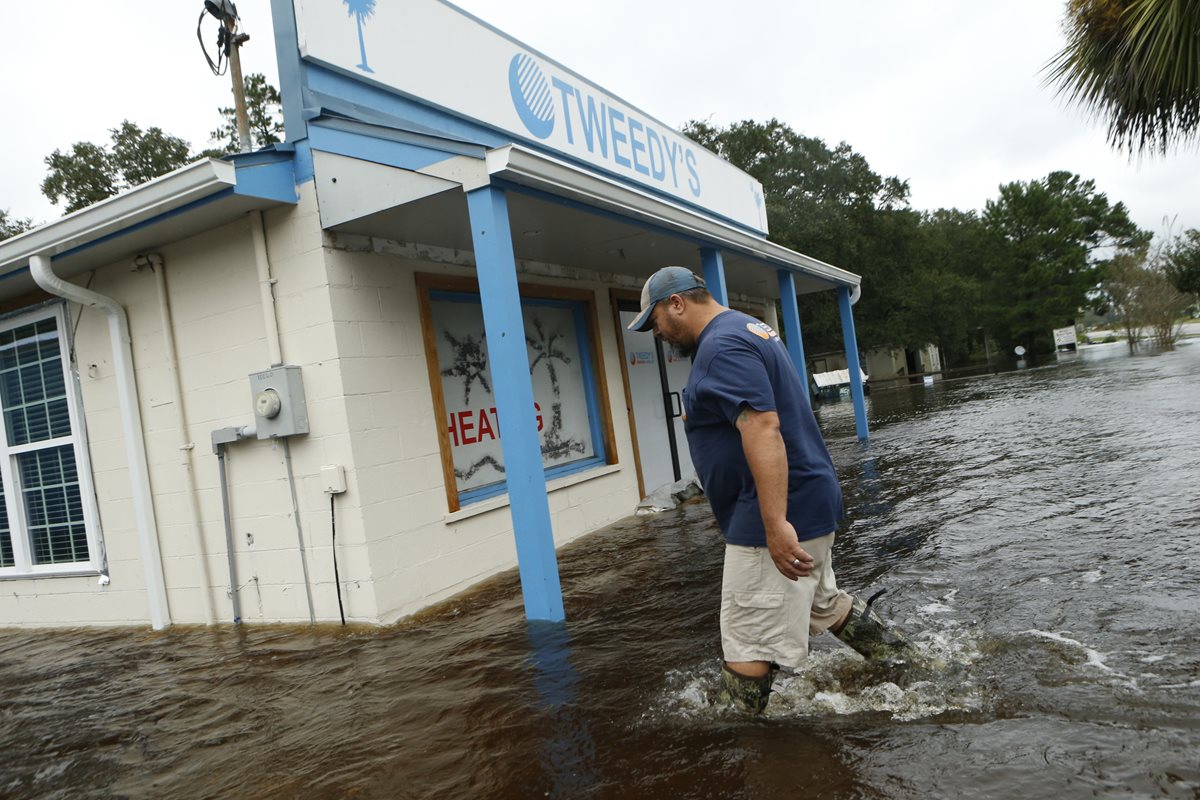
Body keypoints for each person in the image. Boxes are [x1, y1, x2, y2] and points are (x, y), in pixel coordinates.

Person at [627, 266, 916, 713]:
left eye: (656, 321)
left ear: (677, 303)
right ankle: (912, 665)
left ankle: (752, 748)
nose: (657, 332)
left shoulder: (721, 346)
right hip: (806, 498)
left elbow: (763, 427)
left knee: (746, 641)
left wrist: (775, 523)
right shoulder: (748, 328)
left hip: (773, 515)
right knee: (823, 604)